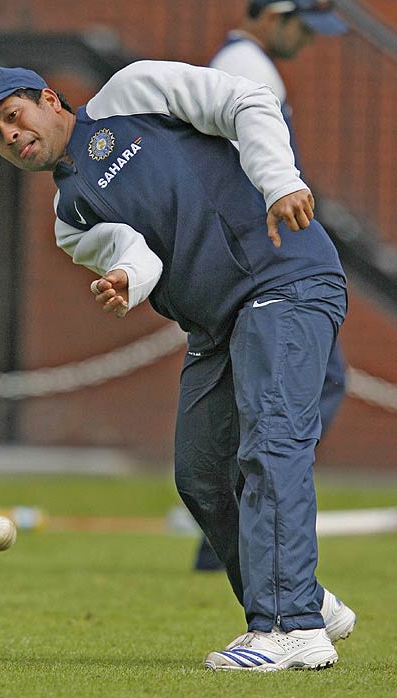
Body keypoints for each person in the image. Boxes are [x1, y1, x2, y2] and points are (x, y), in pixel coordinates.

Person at [0, 59, 355, 671]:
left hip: (285, 276)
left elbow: (246, 102)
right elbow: (132, 251)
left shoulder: (132, 90)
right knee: (200, 475)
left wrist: (279, 181)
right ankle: (306, 600)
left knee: (273, 441)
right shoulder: (69, 219)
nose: (9, 138)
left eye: (12, 117)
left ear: (48, 99)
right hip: (218, 326)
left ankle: (290, 626)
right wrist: (125, 278)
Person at [194, 0, 349, 573]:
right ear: (273, 16)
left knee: (271, 399)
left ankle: (233, 539)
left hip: (255, 259)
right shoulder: (247, 65)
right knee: (303, 391)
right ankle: (247, 536)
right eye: (302, 26)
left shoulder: (244, 62)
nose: (307, 39)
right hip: (265, 259)